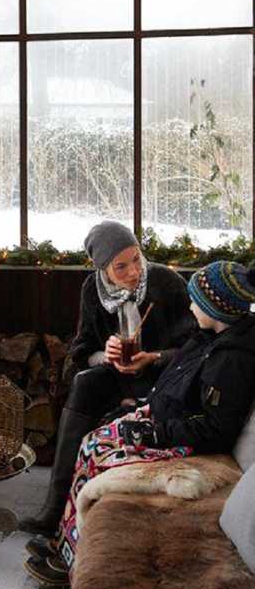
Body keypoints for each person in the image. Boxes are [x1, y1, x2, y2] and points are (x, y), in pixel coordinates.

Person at [26, 260, 255, 584]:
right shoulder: (207, 337)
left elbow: (215, 429)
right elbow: (176, 381)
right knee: (91, 442)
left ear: (215, 308)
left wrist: (154, 433)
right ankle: (67, 545)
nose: (190, 306)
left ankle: (73, 564)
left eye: (196, 301)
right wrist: (144, 405)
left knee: (100, 456)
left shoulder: (233, 360)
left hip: (181, 439)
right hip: (159, 418)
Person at [19, 221, 195, 568]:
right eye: (121, 266)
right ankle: (54, 506)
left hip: (162, 375)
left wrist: (154, 357)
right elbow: (82, 349)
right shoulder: (92, 290)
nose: (133, 272)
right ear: (102, 269)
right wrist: (105, 354)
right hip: (117, 375)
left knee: (116, 387)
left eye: (136, 259)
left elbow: (194, 347)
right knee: (85, 382)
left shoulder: (166, 282)